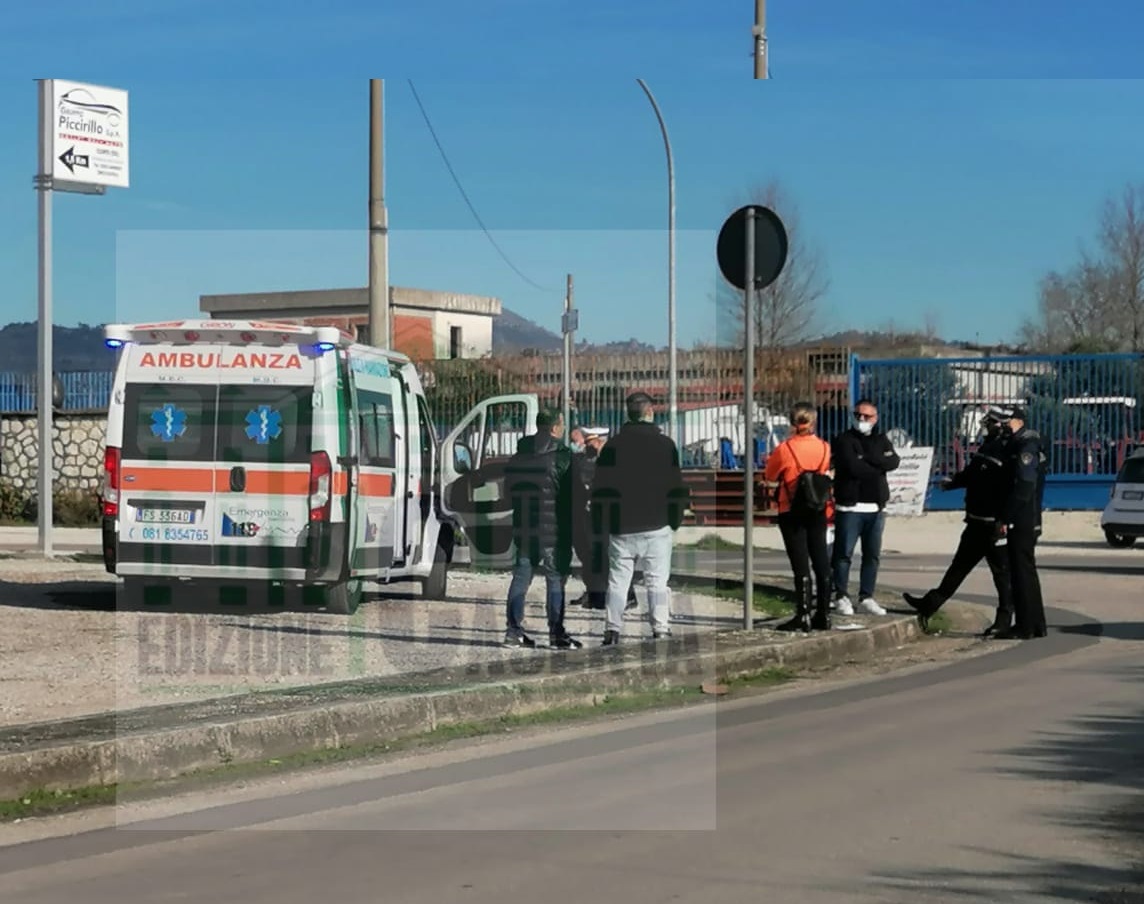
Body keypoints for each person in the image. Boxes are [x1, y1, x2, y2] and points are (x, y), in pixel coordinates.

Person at [901, 406, 1014, 635]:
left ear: (1000, 425)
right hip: (975, 521)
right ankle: (929, 604)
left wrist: (1003, 520)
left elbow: (1010, 490)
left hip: (993, 523)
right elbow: (973, 475)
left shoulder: (1007, 450)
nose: (985, 427)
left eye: (989, 423)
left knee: (1002, 575)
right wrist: (952, 483)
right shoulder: (987, 447)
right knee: (958, 568)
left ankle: (1004, 619)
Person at [591, 392, 689, 645]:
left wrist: (603, 521)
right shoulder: (665, 445)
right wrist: (675, 519)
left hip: (621, 525)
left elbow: (600, 487)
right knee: (657, 581)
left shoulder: (612, 446)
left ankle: (612, 630)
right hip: (657, 523)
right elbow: (676, 486)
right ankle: (661, 629)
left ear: (628, 413)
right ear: (649, 412)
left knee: (618, 581)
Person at [502, 408, 582, 650]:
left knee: (521, 578)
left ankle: (513, 632)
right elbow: (573, 496)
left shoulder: (518, 456)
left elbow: (508, 493)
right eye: (562, 424)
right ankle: (556, 634)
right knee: (555, 580)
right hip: (554, 531)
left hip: (524, 528)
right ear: (556, 427)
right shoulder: (563, 456)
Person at [764, 401, 834, 632]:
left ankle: (803, 614)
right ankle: (824, 613)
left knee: (800, 564)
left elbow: (770, 475)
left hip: (791, 508)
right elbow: (822, 471)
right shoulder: (824, 447)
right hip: (818, 508)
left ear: (792, 422)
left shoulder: (784, 449)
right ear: (813, 421)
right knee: (821, 560)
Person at [829, 398, 900, 616]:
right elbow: (853, 467)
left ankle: (866, 597)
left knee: (872, 556)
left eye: (866, 416)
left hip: (875, 508)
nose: (861, 419)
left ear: (875, 418)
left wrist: (868, 458)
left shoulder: (881, 439)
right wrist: (877, 464)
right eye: (858, 415)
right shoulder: (844, 440)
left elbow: (893, 461)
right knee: (843, 554)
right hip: (850, 507)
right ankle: (840, 595)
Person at [567, 427, 638, 611]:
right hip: (592, 515)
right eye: (585, 443)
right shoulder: (587, 460)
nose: (586, 447)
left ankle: (628, 595)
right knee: (593, 555)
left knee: (615, 557)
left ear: (600, 441)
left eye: (590, 443)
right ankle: (596, 594)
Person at [994, 406, 1048, 640]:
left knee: (1020, 573)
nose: (1003, 425)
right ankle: (1035, 624)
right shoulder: (1021, 444)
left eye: (1007, 421)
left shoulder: (1026, 446)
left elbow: (1024, 486)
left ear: (1019, 421)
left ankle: (1025, 626)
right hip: (1025, 516)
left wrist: (1006, 516)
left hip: (1023, 517)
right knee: (1026, 571)